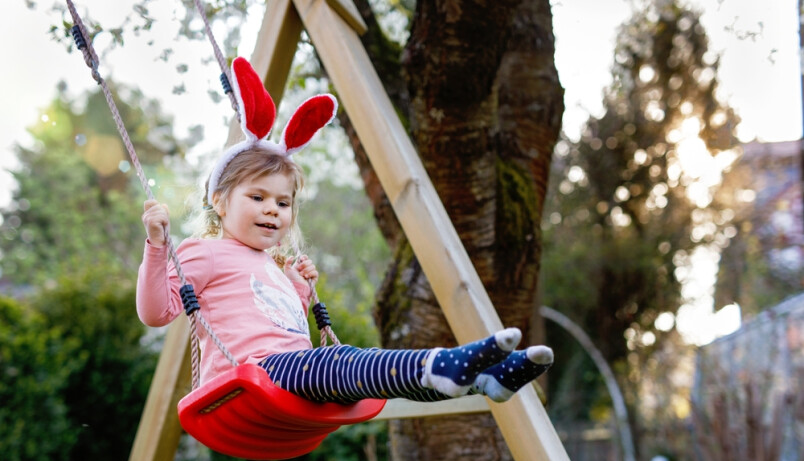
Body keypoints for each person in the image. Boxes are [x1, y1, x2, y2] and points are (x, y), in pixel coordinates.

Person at [135, 57, 552, 405]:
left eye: (283, 203)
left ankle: (485, 381)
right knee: (344, 362)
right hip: (249, 382)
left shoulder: (271, 266)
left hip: (294, 378)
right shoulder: (203, 251)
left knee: (367, 381)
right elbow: (157, 313)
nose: (272, 210)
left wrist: (297, 289)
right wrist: (157, 246)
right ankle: (441, 363)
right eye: (257, 198)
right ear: (221, 202)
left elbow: (279, 323)